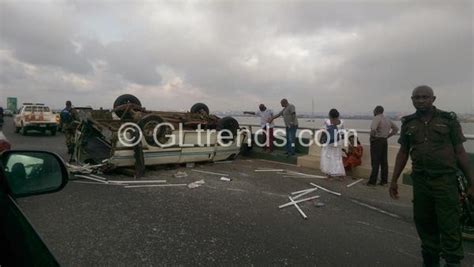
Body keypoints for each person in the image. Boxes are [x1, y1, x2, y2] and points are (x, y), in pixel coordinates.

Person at [390, 85, 473, 266]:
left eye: (425, 97)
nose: (420, 100)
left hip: (445, 182)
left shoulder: (448, 120)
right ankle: (430, 260)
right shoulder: (408, 123)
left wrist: (471, 181)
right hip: (421, 183)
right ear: (412, 100)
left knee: (449, 225)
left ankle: (452, 261)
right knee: (425, 224)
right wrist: (394, 179)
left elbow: (460, 152)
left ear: (433, 99)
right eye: (417, 97)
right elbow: (403, 153)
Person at [367, 105, 399, 186]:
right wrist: (388, 136)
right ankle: (384, 181)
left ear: (376, 111)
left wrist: (372, 138)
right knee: (384, 161)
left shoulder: (377, 118)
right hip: (384, 141)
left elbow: (373, 129)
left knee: (375, 161)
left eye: (374, 110)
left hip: (377, 141)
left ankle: (372, 181)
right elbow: (396, 129)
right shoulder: (387, 119)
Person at [320, 109, 345, 179]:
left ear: (330, 116)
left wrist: (321, 141)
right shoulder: (341, 123)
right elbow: (343, 135)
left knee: (329, 158)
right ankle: (340, 175)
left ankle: (329, 175)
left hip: (330, 143)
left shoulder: (327, 122)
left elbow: (323, 132)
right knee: (337, 159)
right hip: (337, 143)